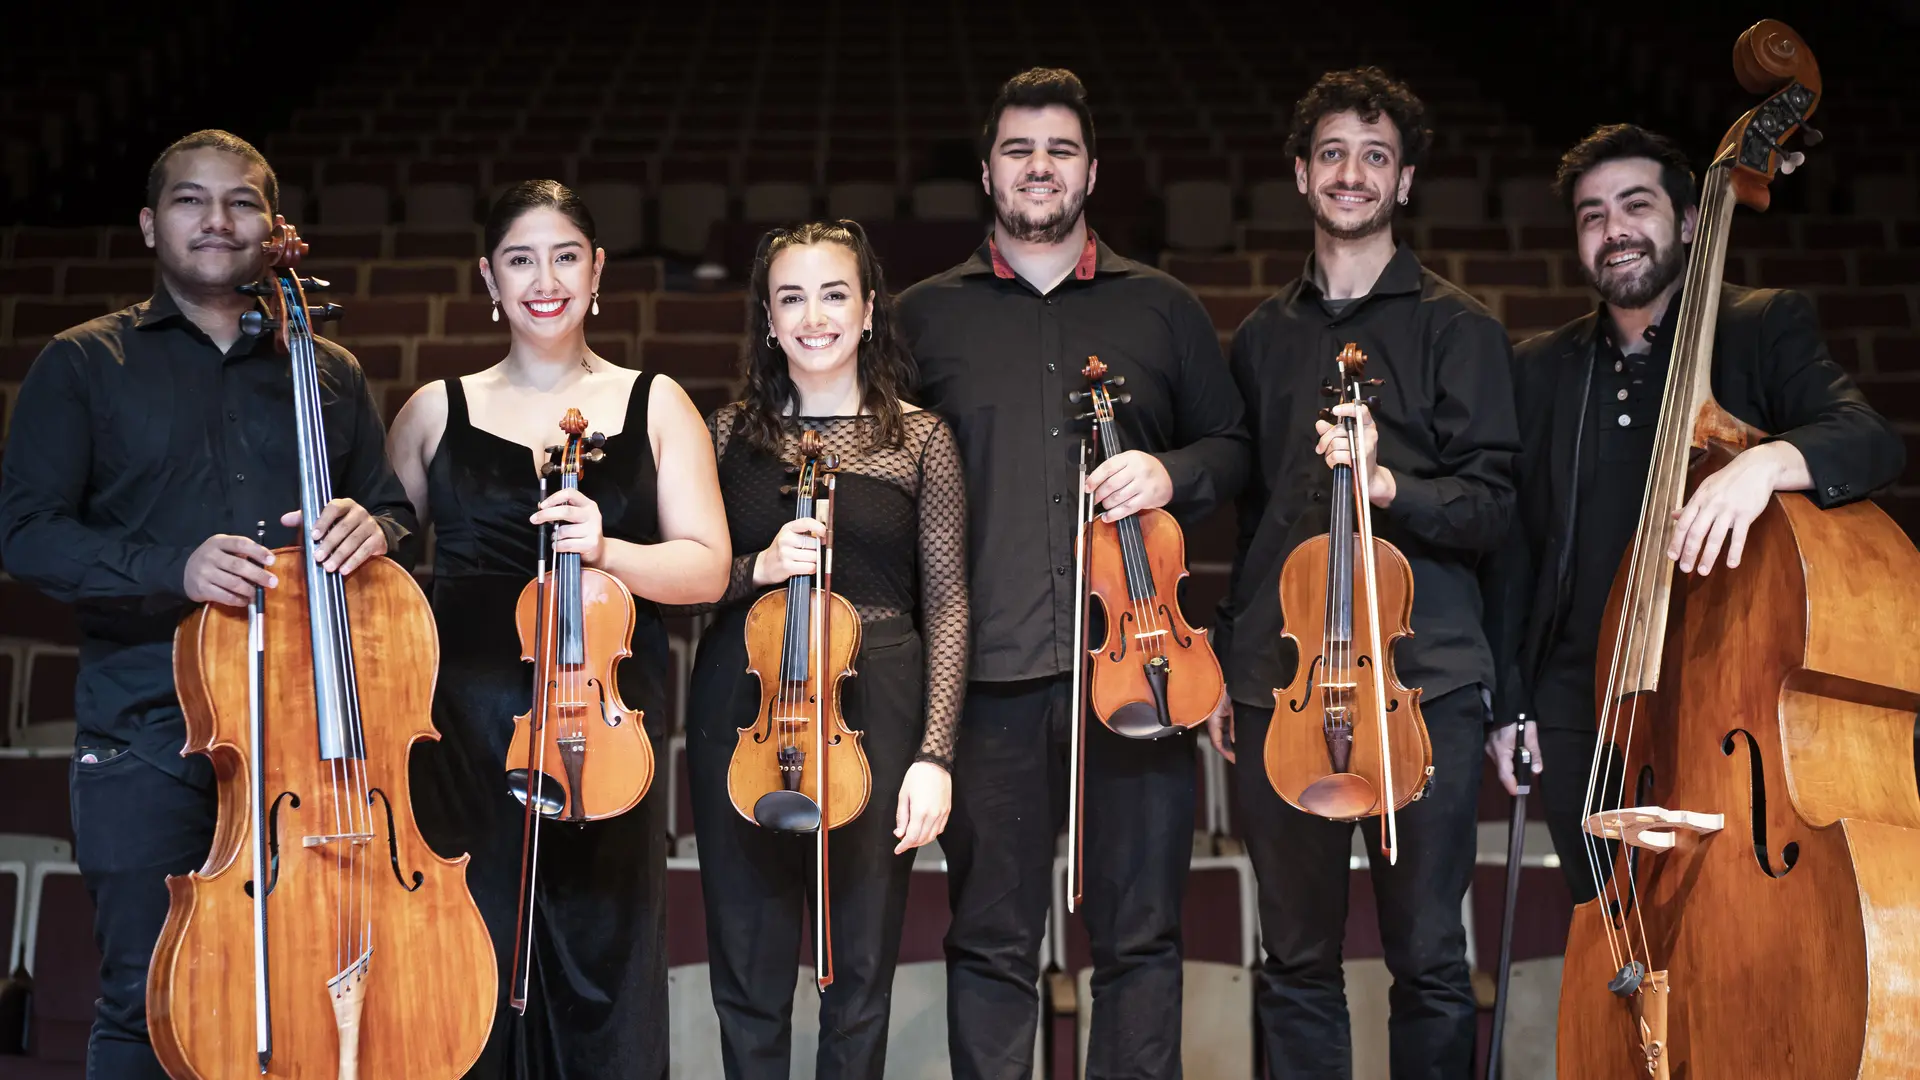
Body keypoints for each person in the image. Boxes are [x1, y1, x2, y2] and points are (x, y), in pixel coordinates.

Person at [0, 129, 415, 1079]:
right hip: (150, 728)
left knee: (308, 994)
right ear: (151, 223)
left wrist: (377, 528)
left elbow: (390, 510)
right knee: (154, 996)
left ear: (274, 228)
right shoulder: (82, 365)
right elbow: (25, 534)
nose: (218, 220)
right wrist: (170, 568)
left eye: (242, 203)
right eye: (192, 200)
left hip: (312, 744)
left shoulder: (331, 373)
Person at [898, 68, 1249, 1080]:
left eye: (1058, 149)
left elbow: (1234, 449)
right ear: (986, 172)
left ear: (1091, 169)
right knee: (992, 943)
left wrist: (1171, 470)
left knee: (1141, 941)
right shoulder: (925, 320)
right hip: (990, 681)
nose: (1039, 167)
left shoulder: (1163, 308)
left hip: (1138, 672)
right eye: (1018, 150)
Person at [1480, 123, 1905, 900]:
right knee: (1610, 941)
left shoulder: (1762, 324)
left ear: (1684, 220)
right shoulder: (1538, 366)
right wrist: (1511, 704)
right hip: (1585, 707)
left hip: (1724, 688)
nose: (1615, 231)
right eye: (1592, 215)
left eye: (1635, 206)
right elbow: (1516, 548)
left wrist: (1766, 463)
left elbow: (1870, 440)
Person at [1206, 68, 1520, 1078]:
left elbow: (1495, 509)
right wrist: (1232, 655)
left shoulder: (1457, 328)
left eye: (1375, 155)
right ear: (1301, 174)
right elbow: (1257, 521)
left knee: (1428, 954)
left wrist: (1388, 484)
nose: (1353, 173)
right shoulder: (1263, 337)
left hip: (1420, 677)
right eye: (1333, 153)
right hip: (1281, 677)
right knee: (1294, 954)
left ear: (1407, 179)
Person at [385, 179, 731, 1079]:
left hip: (602, 737)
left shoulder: (654, 404)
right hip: (458, 738)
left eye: (566, 255)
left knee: (602, 976)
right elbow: (377, 579)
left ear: (598, 270)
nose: (546, 278)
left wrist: (609, 548)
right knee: (470, 964)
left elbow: (706, 568)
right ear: (489, 278)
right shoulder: (432, 412)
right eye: (521, 259)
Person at [674, 219, 965, 1079]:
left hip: (878, 697)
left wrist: (936, 755)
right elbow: (689, 579)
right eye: (790, 297)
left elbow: (948, 603)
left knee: (860, 969)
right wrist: (755, 566)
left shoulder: (920, 440)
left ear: (870, 309)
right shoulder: (725, 435)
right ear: (767, 319)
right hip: (748, 702)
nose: (813, 316)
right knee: (749, 965)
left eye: (834, 294)